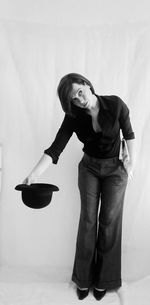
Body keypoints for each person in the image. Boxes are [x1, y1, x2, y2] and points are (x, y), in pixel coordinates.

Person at [23, 73, 135, 301]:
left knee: (109, 222)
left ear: (86, 84)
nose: (79, 100)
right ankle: (83, 279)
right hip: (89, 169)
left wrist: (131, 162)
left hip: (115, 170)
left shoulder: (115, 104)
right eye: (74, 99)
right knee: (88, 221)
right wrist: (33, 174)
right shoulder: (73, 116)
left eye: (79, 92)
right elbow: (56, 147)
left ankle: (105, 280)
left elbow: (130, 134)